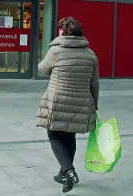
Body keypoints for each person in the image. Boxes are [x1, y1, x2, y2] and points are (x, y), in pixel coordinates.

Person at [36, 17, 99, 193]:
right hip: (81, 101)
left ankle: (69, 172)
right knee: (69, 137)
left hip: (58, 100)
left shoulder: (56, 51)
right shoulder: (91, 54)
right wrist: (95, 104)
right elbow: (95, 84)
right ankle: (63, 173)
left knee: (54, 135)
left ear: (63, 31)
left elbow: (42, 69)